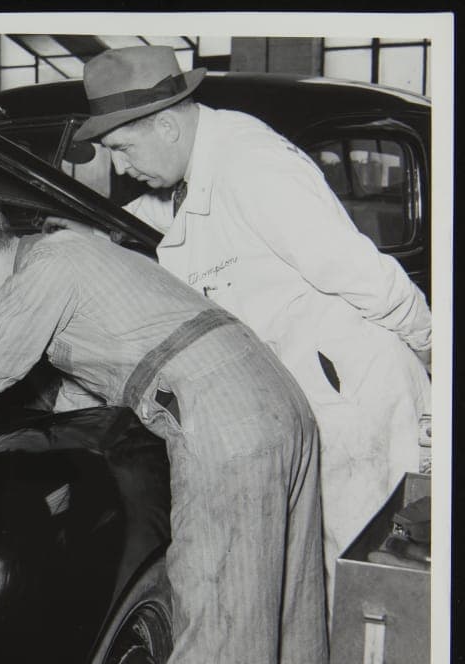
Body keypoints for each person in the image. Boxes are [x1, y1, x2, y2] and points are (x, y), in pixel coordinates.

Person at [0, 203, 327, 664]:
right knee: (290, 617)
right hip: (277, 398)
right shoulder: (79, 255)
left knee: (218, 635)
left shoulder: (44, 269)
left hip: (224, 419)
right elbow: (88, 394)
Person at [55, 46, 432, 604]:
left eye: (121, 148)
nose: (119, 167)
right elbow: (166, 217)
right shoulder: (197, 167)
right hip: (308, 396)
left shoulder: (252, 166)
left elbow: (365, 276)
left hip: (355, 402)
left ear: (165, 126)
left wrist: (431, 347)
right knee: (321, 582)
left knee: (366, 591)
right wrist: (85, 234)